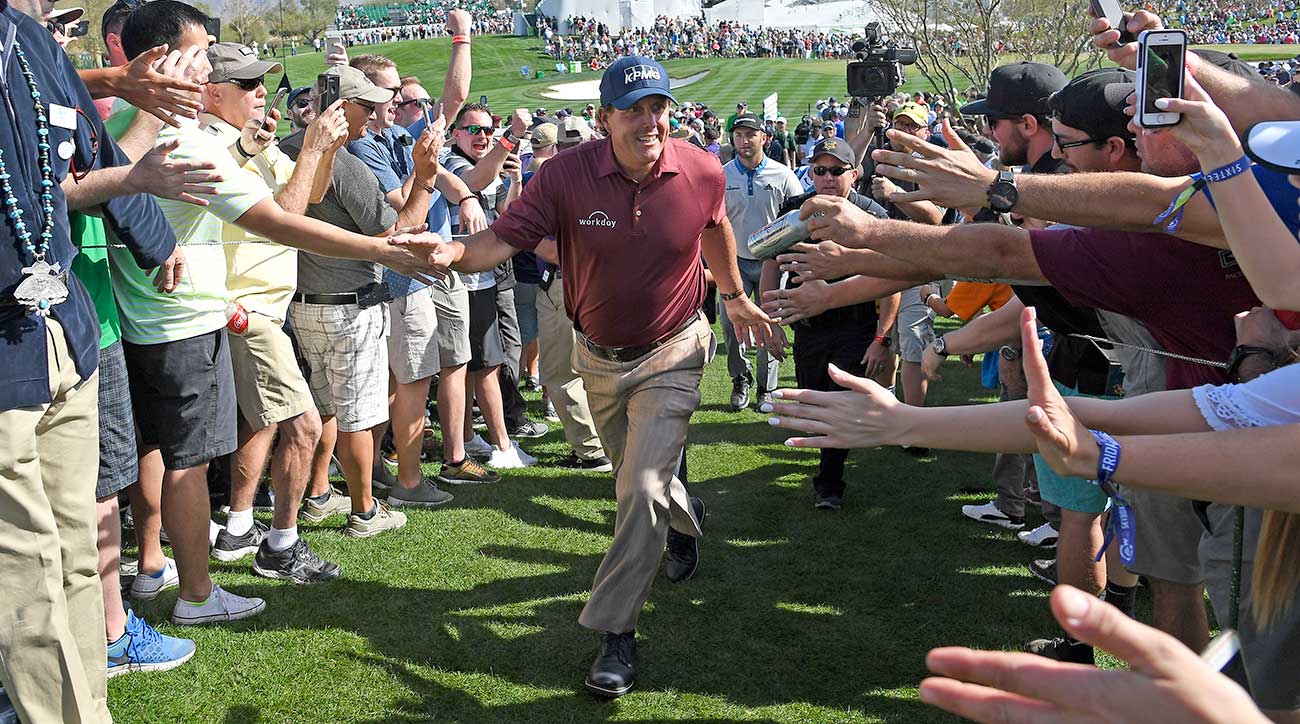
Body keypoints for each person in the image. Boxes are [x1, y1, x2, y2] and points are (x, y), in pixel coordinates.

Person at [413, 55, 775, 698]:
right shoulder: (564, 175)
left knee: (639, 487)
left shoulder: (700, 168)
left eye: (658, 107)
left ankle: (616, 633)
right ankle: (683, 512)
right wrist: (451, 252)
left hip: (675, 349)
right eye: (633, 110)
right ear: (605, 118)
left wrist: (737, 296)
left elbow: (714, 228)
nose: (650, 121)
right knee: (637, 480)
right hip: (598, 358)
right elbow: (501, 240)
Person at [0, 1, 183, 718]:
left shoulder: (34, 45)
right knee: (24, 568)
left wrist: (155, 236)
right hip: (4, 353)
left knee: (76, 550)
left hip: (63, 332)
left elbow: (92, 159)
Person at [200, 42, 347, 583]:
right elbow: (287, 217)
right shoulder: (213, 145)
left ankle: (240, 527)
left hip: (261, 307)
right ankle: (281, 546)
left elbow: (313, 194)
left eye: (263, 82)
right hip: (247, 309)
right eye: (248, 84)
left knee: (261, 423)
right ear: (213, 93)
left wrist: (325, 150)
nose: (262, 92)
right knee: (303, 427)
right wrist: (311, 147)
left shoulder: (249, 141)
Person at [762, 137, 894, 509]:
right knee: (815, 403)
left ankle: (830, 484)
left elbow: (892, 279)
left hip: (856, 326)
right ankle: (830, 461)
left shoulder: (872, 215)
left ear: (854, 174)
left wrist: (882, 338)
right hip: (809, 325)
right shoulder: (794, 211)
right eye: (820, 170)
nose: (828, 178)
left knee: (839, 402)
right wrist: (770, 320)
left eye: (837, 171)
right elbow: (770, 262)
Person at [721, 112, 802, 411]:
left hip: (773, 261)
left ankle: (767, 387)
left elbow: (798, 216)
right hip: (734, 262)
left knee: (768, 321)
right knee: (731, 324)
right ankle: (740, 377)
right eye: (739, 135)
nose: (744, 140)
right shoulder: (722, 175)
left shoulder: (783, 175)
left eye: (750, 135)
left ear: (764, 138)